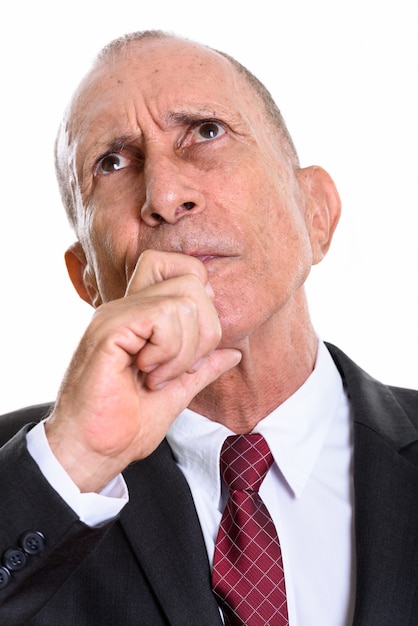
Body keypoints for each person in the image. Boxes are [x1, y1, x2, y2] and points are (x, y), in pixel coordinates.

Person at [0, 29, 417, 626]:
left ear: (315, 213)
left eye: (205, 131)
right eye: (111, 163)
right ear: (88, 280)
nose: (165, 196)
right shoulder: (37, 474)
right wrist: (77, 456)